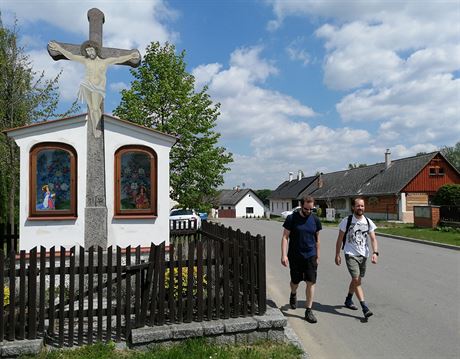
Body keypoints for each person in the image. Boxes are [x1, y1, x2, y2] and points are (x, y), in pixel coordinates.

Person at [48, 40, 140, 138]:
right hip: (87, 85)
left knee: (96, 108)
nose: (90, 52)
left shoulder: (105, 62)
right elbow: (71, 56)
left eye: (91, 50)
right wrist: (59, 48)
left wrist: (130, 56)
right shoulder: (85, 60)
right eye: (87, 51)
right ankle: (94, 129)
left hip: (98, 87)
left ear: (96, 50)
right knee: (92, 108)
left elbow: (118, 59)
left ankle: (97, 127)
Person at [335, 197, 379, 318]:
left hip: (363, 255)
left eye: (362, 206)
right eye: (358, 206)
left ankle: (348, 299)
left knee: (357, 280)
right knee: (356, 279)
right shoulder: (347, 221)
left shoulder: (368, 222)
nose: (360, 208)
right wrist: (337, 254)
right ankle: (364, 307)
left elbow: (373, 239)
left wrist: (375, 253)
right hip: (350, 254)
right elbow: (339, 239)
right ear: (353, 207)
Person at [281, 195, 322, 323]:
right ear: (301, 205)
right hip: (295, 256)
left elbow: (317, 240)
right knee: (295, 282)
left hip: (310, 255)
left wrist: (318, 256)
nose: (308, 212)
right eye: (306, 209)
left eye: (311, 209)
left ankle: (308, 311)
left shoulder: (315, 220)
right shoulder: (292, 218)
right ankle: (293, 293)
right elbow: (285, 237)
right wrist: (284, 255)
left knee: (311, 282)